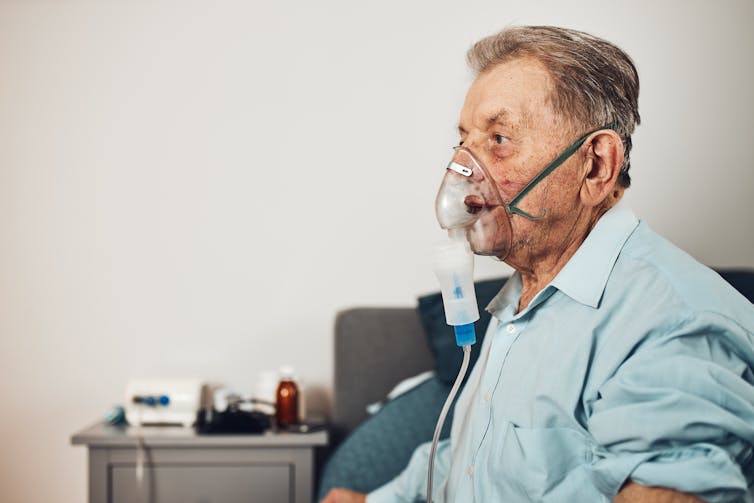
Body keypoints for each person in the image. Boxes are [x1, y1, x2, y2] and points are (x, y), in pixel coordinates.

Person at [321, 26, 754, 502]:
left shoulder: (673, 322)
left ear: (595, 167)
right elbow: (477, 461)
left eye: (500, 139)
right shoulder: (519, 304)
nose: (463, 176)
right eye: (464, 142)